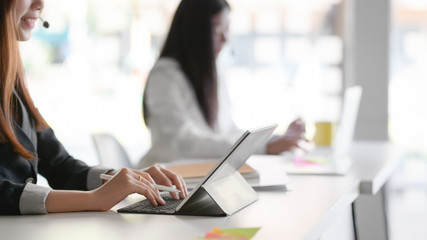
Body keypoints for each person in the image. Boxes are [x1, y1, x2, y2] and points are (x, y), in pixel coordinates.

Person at [0, 0, 187, 215]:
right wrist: (94, 199)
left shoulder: (11, 78)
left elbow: (60, 166)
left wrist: (125, 179)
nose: (41, 4)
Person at [138, 0, 307, 168]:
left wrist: (275, 139)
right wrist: (261, 147)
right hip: (164, 182)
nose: (225, 38)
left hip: (203, 177)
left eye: (227, 28)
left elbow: (227, 131)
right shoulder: (165, 75)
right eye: (217, 29)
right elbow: (183, 143)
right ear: (193, 31)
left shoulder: (212, 71)